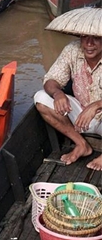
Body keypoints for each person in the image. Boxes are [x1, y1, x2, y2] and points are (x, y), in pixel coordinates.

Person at [34, 31, 102, 170]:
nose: (89, 43)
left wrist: (97, 105)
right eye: (84, 37)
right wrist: (58, 93)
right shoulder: (72, 49)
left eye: (96, 38)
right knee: (41, 97)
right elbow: (51, 79)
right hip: (80, 116)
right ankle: (81, 144)